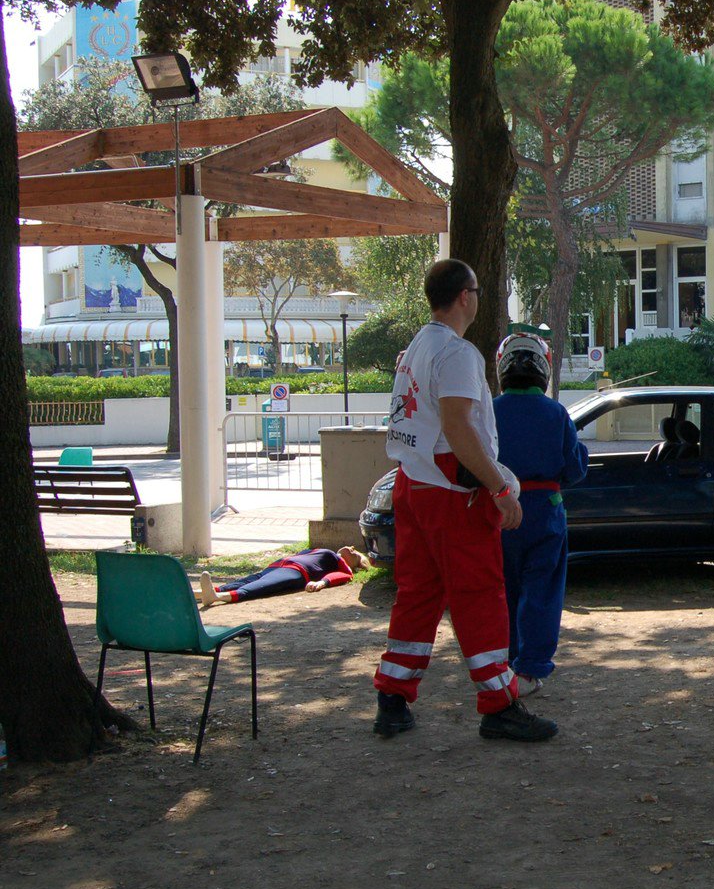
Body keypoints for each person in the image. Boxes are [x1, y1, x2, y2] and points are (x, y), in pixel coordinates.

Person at [370, 258, 556, 744]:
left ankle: (392, 697)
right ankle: (499, 703)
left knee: (418, 594)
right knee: (480, 596)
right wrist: (498, 486)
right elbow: (458, 427)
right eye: (477, 288)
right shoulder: (457, 354)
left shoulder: (416, 348)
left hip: (414, 485)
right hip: (455, 494)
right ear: (465, 296)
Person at [493, 333, 588, 695]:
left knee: (505, 590)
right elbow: (575, 467)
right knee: (542, 591)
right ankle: (530, 671)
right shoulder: (556, 413)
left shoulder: (490, 409)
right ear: (544, 369)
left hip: (500, 511)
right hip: (546, 514)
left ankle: (503, 662)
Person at [198, 547, 370, 606]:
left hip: (295, 572)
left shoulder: (339, 561)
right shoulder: (320, 550)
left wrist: (322, 583)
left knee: (260, 586)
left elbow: (342, 575)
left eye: (355, 554)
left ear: (354, 563)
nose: (351, 548)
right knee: (246, 580)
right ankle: (198, 593)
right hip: (278, 565)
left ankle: (217, 597)